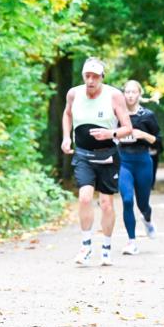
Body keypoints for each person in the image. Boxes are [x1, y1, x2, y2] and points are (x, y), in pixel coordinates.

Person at [61, 57, 133, 266]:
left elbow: (127, 128)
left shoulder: (114, 95)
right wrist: (66, 137)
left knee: (106, 204)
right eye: (87, 76)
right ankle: (86, 247)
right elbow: (67, 114)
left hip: (107, 155)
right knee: (84, 198)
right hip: (83, 154)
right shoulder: (74, 94)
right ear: (83, 76)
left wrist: (110, 133)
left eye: (95, 76)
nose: (91, 80)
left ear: (102, 77)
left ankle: (106, 248)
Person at [117, 80, 159, 255]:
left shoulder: (147, 115)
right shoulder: (117, 114)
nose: (130, 95)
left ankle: (147, 219)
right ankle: (131, 242)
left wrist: (143, 134)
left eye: (133, 92)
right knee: (127, 200)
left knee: (143, 204)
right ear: (123, 94)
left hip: (143, 161)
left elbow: (158, 141)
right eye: (127, 92)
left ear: (139, 94)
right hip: (123, 161)